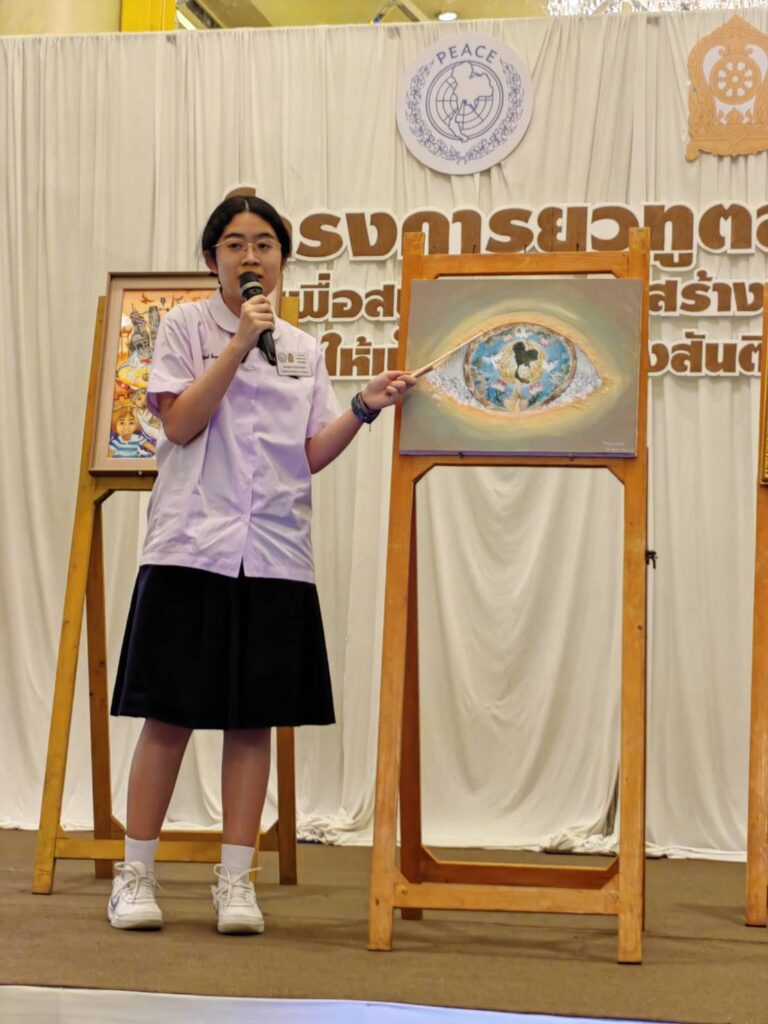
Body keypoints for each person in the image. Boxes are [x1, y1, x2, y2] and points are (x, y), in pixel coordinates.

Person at [108, 193, 414, 934]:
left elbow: (307, 455)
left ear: (283, 258)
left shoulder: (303, 349)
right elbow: (180, 423)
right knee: (169, 713)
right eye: (236, 244)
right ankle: (134, 875)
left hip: (274, 552)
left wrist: (364, 407)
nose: (252, 257)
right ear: (211, 258)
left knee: (253, 722)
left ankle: (236, 881)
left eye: (266, 245)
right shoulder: (184, 328)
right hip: (191, 545)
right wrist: (239, 344)